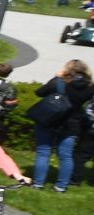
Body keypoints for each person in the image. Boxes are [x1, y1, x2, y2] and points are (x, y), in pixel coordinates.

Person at [28, 59, 92, 192]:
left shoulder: (59, 81)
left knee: (43, 152)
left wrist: (56, 77)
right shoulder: (89, 86)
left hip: (49, 120)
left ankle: (38, 183)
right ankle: (61, 186)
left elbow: (39, 92)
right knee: (66, 155)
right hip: (72, 124)